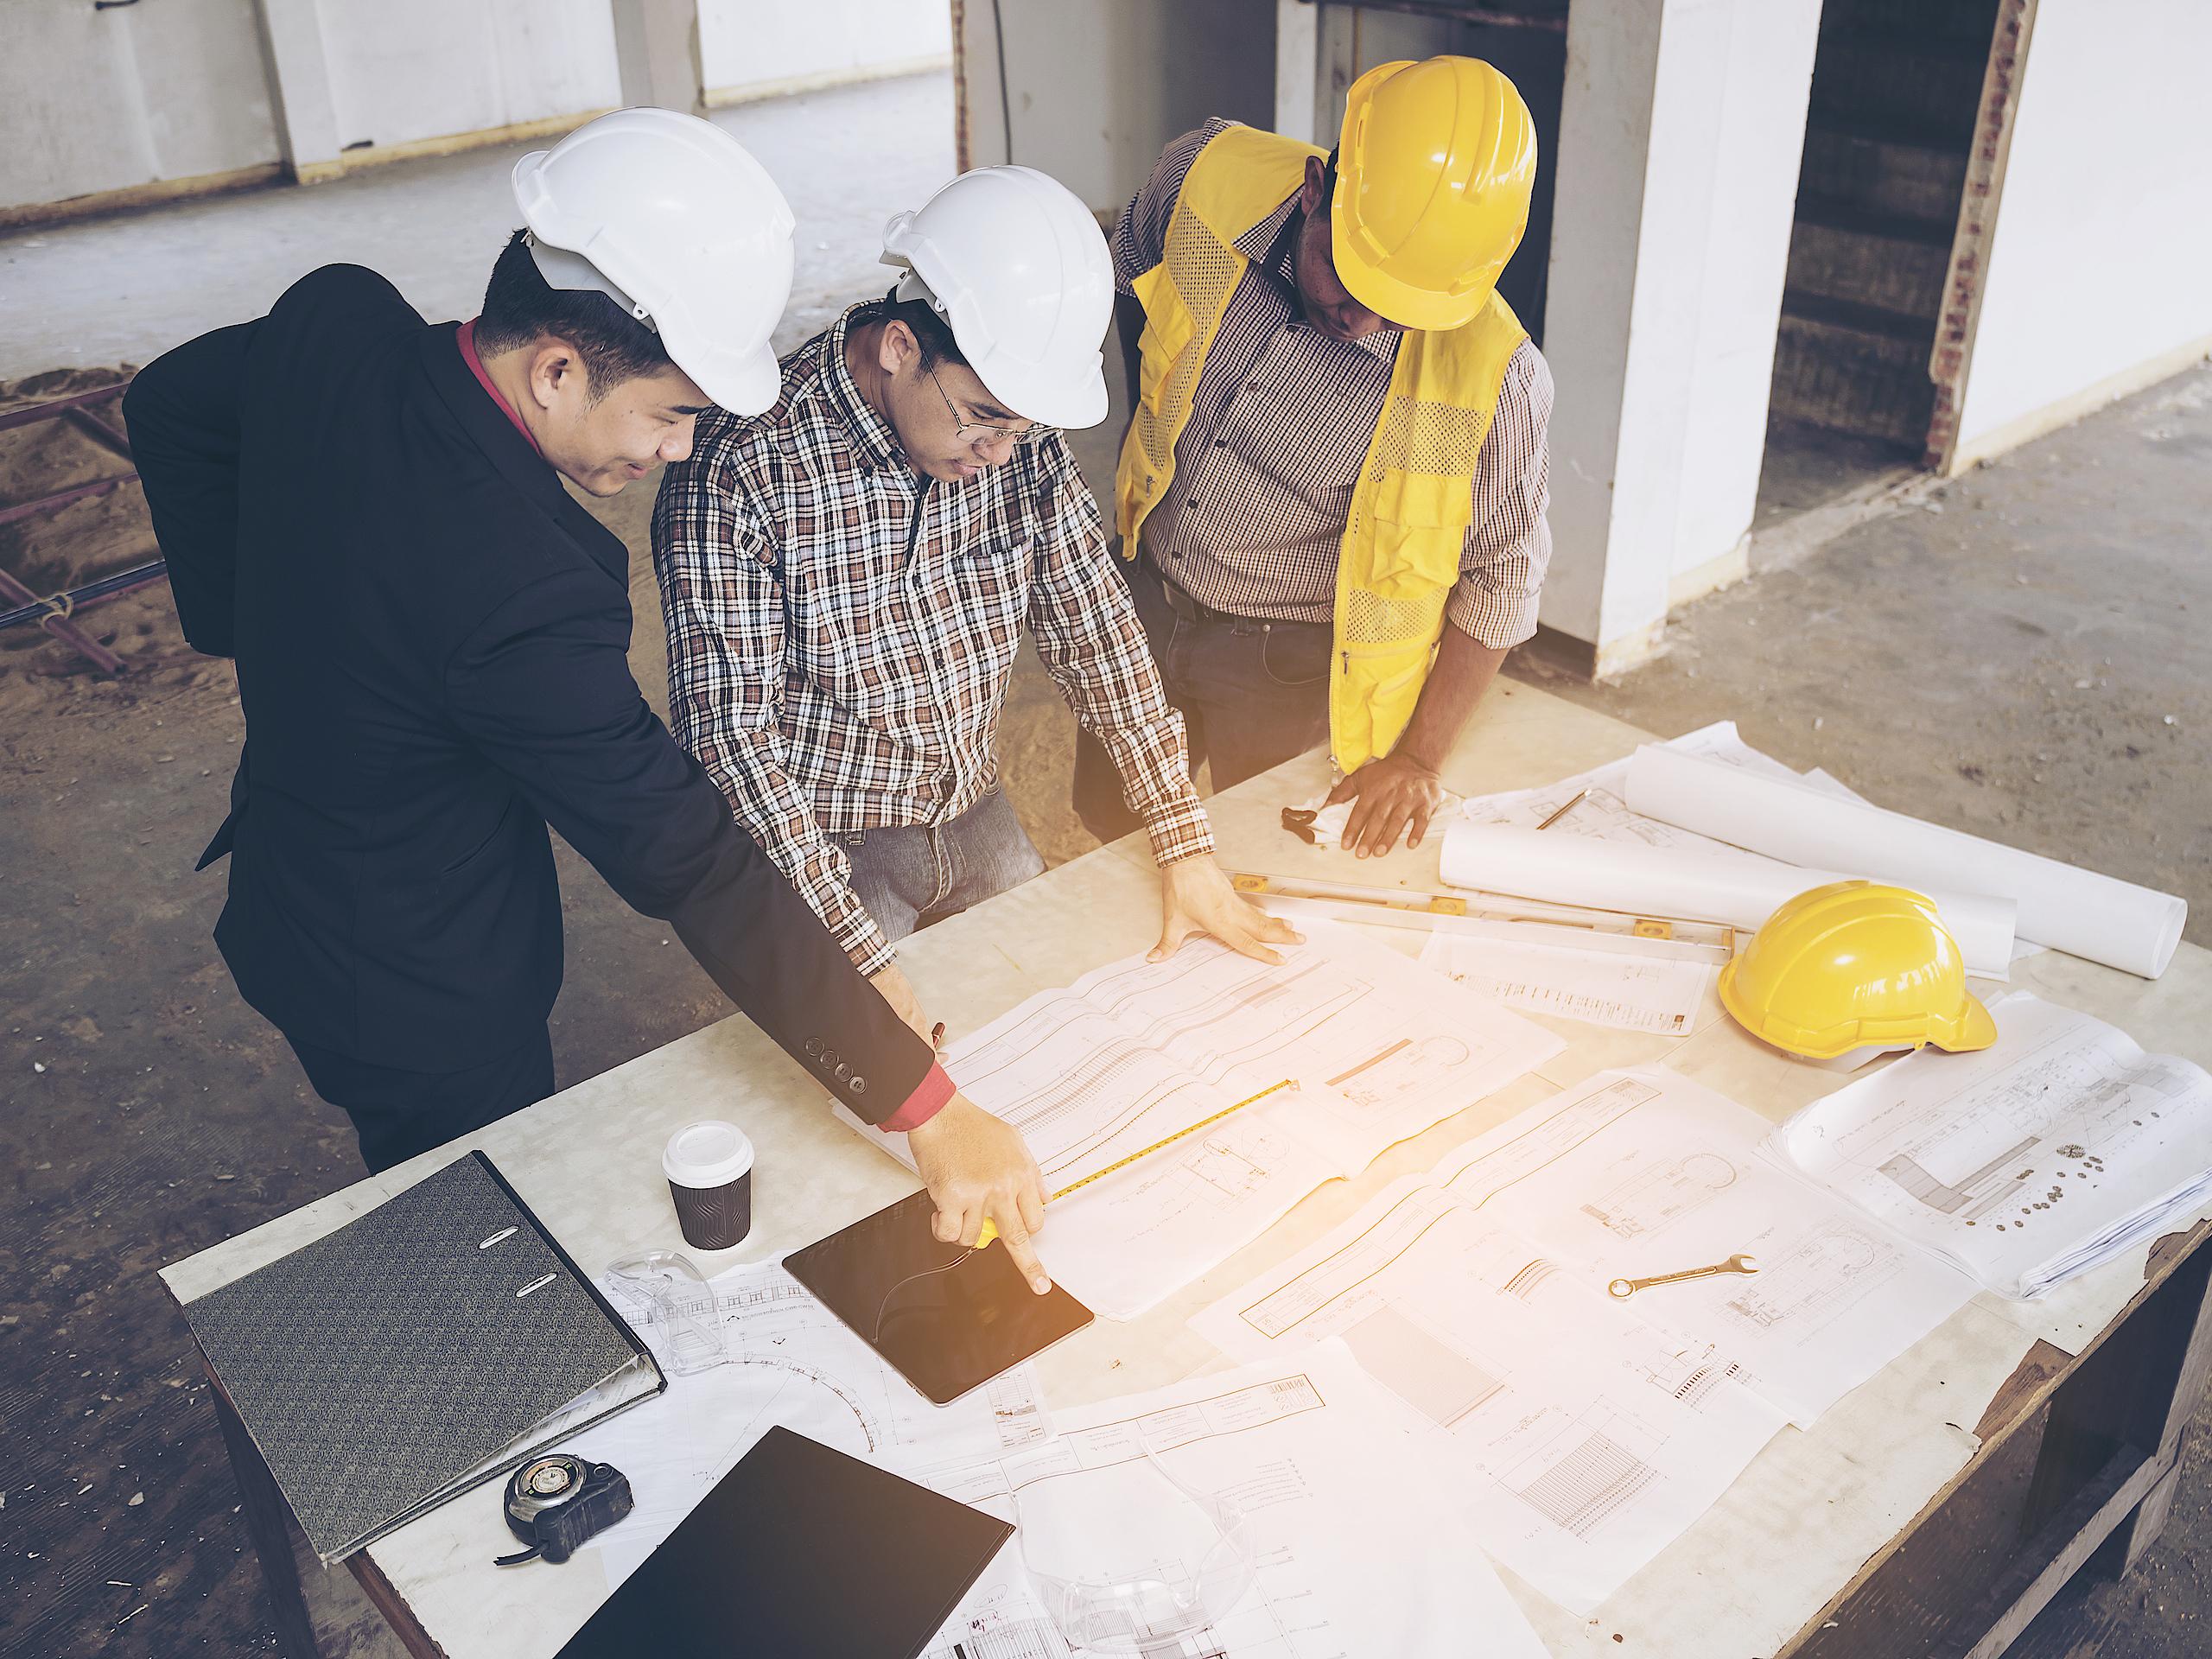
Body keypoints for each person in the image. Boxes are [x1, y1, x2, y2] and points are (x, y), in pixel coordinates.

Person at [124, 109, 1054, 1289]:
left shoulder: (341, 319)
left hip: (289, 876)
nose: (678, 449)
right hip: (414, 977)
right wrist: (924, 1104)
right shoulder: (523, 598)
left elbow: (169, 403)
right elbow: (692, 862)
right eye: (670, 412)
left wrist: (248, 619)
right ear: (558, 369)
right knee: (479, 1221)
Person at [653, 164, 1292, 1029]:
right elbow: (730, 739)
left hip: (975, 807)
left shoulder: (1011, 438)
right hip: (827, 845)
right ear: (899, 347)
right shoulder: (740, 467)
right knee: (858, 1087)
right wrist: (854, 955)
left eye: (1021, 429)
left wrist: (1182, 838)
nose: (998, 452)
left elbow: (1094, 625)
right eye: (983, 417)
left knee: (1046, 1033)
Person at [1073, 54, 1554, 859]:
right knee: (1110, 834)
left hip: (1295, 664)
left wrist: (1415, 757)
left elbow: (1503, 579)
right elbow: (1133, 284)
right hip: (1146, 595)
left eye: (1396, 307)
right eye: (1345, 273)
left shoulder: (1497, 379)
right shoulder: (1200, 179)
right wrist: (1143, 433)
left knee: (1274, 865)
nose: (1361, 319)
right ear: (1312, 191)